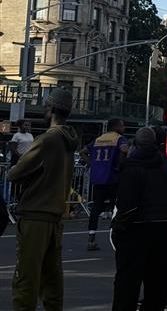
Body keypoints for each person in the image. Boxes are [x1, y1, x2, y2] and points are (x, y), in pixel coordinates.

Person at [8, 89, 79, 311]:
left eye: (46, 108)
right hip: (55, 215)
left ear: (52, 109)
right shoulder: (69, 139)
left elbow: (14, 173)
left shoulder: (47, 139)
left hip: (35, 213)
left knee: (26, 276)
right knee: (52, 279)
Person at [112, 127, 167, 311]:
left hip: (134, 230)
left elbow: (125, 203)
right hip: (162, 229)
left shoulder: (131, 167)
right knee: (156, 284)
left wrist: (120, 225)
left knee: (127, 284)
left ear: (135, 144)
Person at [80, 117, 128, 251]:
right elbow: (124, 150)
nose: (124, 128)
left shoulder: (98, 139)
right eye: (122, 126)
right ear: (116, 127)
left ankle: (91, 238)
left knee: (96, 208)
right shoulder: (119, 139)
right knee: (117, 207)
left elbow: (83, 152)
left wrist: (93, 164)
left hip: (98, 178)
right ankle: (117, 237)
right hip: (113, 177)